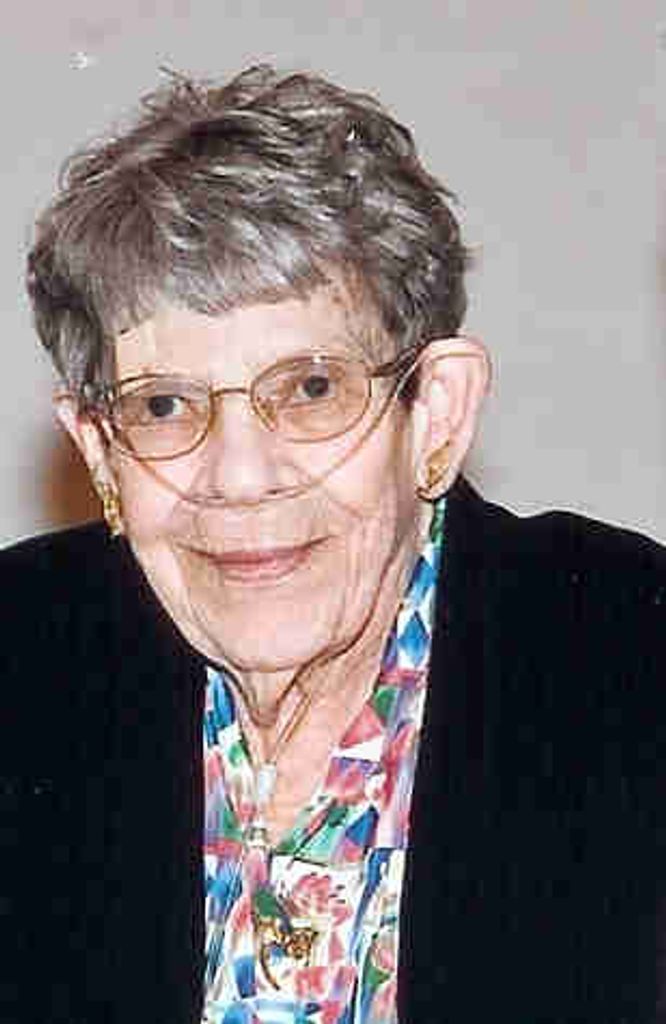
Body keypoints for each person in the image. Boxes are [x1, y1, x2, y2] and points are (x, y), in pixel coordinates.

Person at [1, 65, 663, 1024]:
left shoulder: (634, 662)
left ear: (436, 412)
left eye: (310, 389)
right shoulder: (21, 659)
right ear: (99, 448)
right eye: (164, 405)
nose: (240, 477)